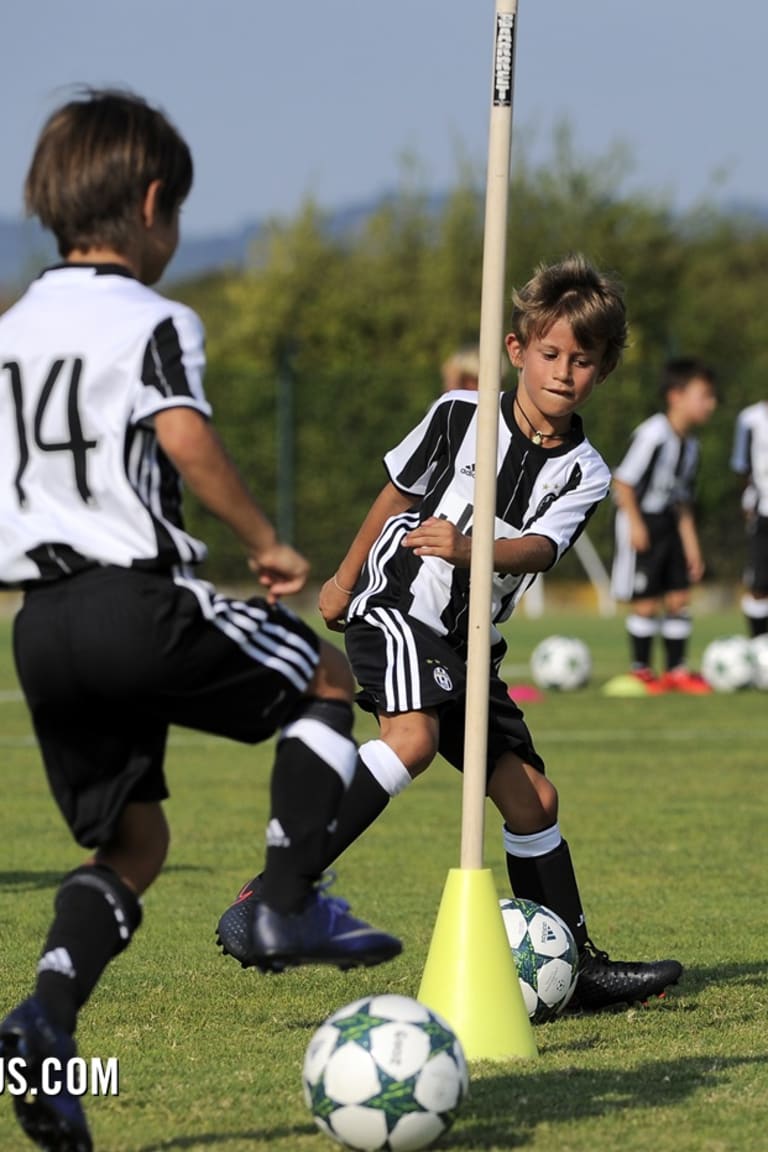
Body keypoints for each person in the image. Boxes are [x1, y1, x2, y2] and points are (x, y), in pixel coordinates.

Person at [0, 88, 399, 1152]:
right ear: (154, 203)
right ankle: (284, 898)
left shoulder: (11, 330)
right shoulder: (154, 319)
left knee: (134, 842)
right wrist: (265, 539)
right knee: (323, 679)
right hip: (136, 599)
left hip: (39, 626)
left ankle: (45, 1021)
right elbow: (182, 435)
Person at [226, 254, 684, 1018]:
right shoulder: (457, 414)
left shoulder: (587, 474)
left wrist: (473, 547)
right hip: (398, 607)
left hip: (469, 645)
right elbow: (395, 495)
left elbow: (539, 549)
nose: (564, 373)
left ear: (603, 371)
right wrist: (340, 583)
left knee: (534, 799)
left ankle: (569, 965)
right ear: (516, 351)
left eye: (583, 361)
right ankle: (277, 888)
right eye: (550, 355)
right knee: (409, 738)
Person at [610, 358, 719, 693]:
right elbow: (623, 483)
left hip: (670, 525)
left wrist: (692, 546)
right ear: (676, 395)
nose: (711, 404)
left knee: (679, 597)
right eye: (704, 395)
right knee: (645, 600)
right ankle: (641, 670)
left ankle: (676, 670)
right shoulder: (653, 434)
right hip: (642, 520)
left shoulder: (691, 444)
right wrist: (636, 524)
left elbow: (683, 501)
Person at [730, 399, 768, 637]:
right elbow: (741, 465)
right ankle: (759, 647)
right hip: (763, 511)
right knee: (759, 583)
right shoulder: (751, 418)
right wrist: (748, 501)